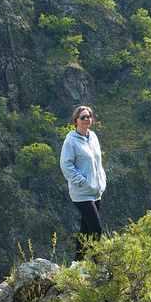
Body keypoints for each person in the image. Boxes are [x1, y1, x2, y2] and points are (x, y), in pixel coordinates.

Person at [60, 105, 107, 261]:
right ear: (75, 120)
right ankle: (99, 264)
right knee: (96, 229)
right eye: (82, 117)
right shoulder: (70, 141)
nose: (86, 119)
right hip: (82, 192)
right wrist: (83, 182)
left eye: (89, 116)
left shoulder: (93, 136)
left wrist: (102, 179)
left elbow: (97, 161)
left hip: (95, 191)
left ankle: (77, 263)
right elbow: (66, 165)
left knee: (85, 229)